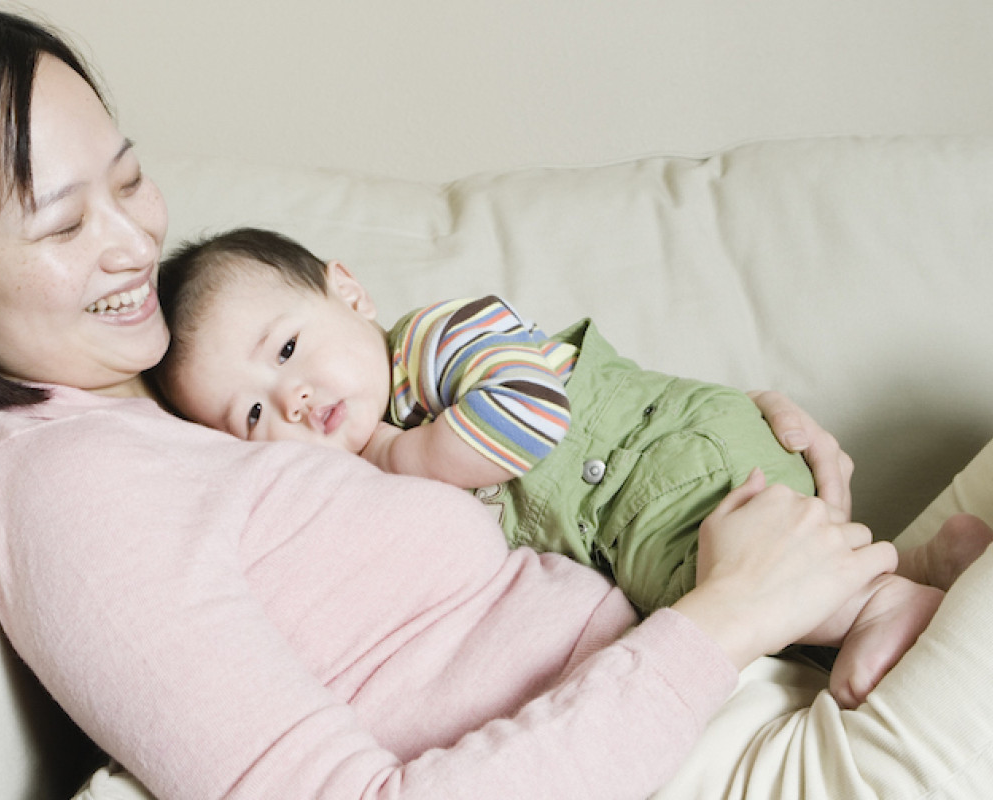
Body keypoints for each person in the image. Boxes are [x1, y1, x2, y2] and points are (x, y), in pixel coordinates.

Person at [0, 9, 991, 800]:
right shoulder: (63, 489)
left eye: (130, 177)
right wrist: (734, 608)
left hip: (735, 684)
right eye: (64, 224)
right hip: (709, 762)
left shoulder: (151, 391)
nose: (132, 241)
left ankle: (888, 581)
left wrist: (737, 441)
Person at [149, 226, 983, 709]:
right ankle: (917, 566)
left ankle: (882, 602)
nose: (292, 397)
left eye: (287, 349)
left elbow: (532, 411)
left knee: (720, 579)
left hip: (660, 467)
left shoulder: (432, 344)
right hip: (628, 518)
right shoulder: (349, 469)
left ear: (350, 293)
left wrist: (410, 454)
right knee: (728, 622)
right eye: (251, 414)